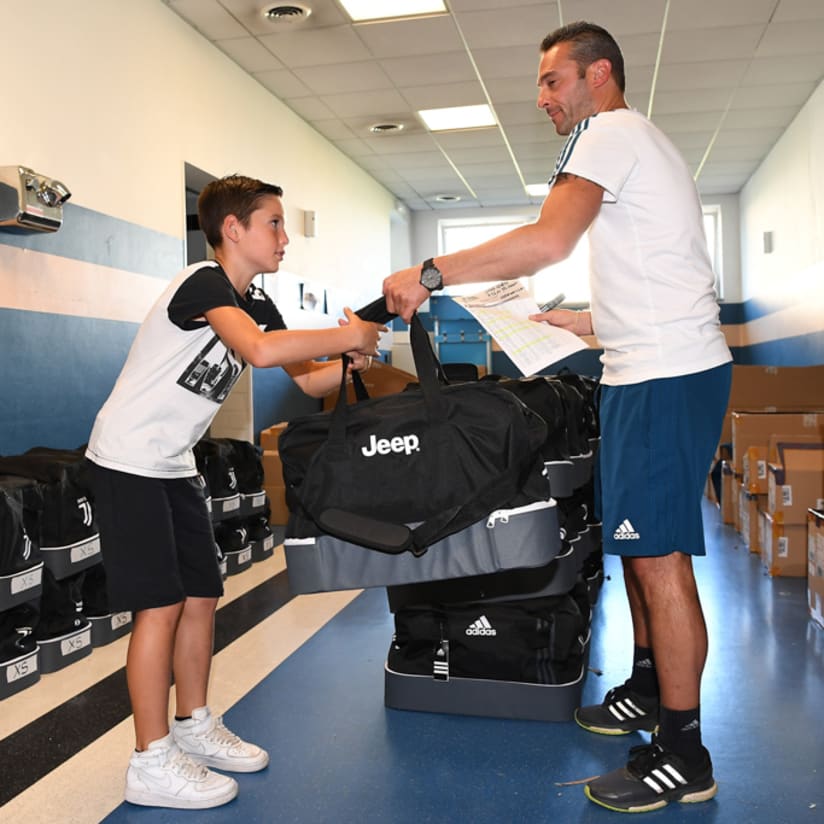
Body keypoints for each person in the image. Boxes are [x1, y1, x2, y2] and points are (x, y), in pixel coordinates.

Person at [383, 21, 732, 815]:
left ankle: (684, 750)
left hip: (666, 375)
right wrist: (587, 323)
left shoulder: (606, 131)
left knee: (659, 558)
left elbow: (548, 240)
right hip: (648, 364)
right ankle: (648, 688)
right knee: (639, 549)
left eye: (552, 81)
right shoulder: (634, 140)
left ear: (597, 75)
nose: (542, 98)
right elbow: (652, 267)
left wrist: (430, 272)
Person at [86, 174, 386, 810]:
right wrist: (346, 336)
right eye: (273, 223)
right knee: (159, 608)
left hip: (171, 465)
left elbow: (307, 383)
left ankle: (193, 727)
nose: (284, 238)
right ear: (233, 229)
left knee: (200, 598)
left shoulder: (257, 300)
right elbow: (258, 349)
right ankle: (150, 759)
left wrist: (353, 358)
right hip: (126, 462)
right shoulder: (204, 282)